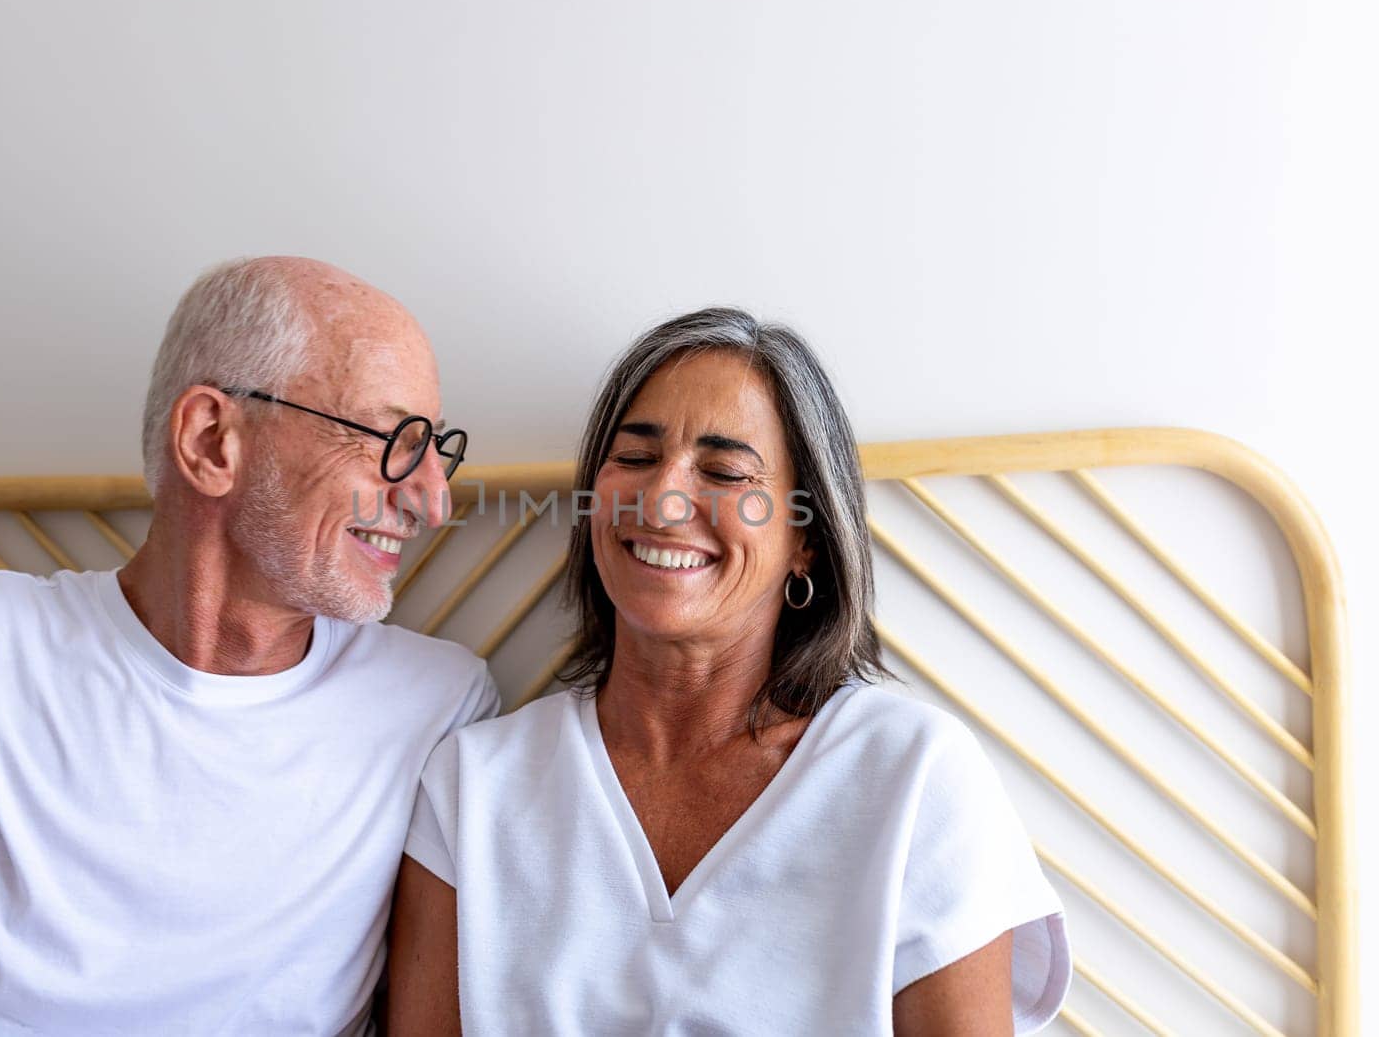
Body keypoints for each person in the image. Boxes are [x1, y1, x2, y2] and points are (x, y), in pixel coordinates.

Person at [0, 257, 499, 1035]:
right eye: (391, 440)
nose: (433, 498)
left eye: (436, 450)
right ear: (211, 440)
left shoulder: (438, 710)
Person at [388, 308, 1071, 1035]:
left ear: (804, 537)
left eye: (724, 471)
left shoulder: (913, 777)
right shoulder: (473, 786)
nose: (664, 499)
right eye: (636, 458)